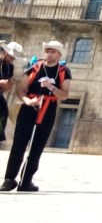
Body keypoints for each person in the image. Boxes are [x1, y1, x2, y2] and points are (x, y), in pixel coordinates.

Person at [1, 40, 72, 192]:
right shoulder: (34, 67)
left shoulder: (63, 71)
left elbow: (64, 94)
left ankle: (26, 181)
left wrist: (51, 87)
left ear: (59, 55)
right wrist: (27, 101)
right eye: (47, 51)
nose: (49, 54)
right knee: (19, 143)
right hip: (29, 108)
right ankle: (9, 179)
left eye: (53, 52)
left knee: (37, 146)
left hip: (48, 108)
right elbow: (20, 89)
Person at [0, 41, 26, 146]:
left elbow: (7, 86)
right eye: (11, 57)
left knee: (3, 112)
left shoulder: (9, 66)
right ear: (5, 52)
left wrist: (9, 84)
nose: (12, 60)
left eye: (13, 58)